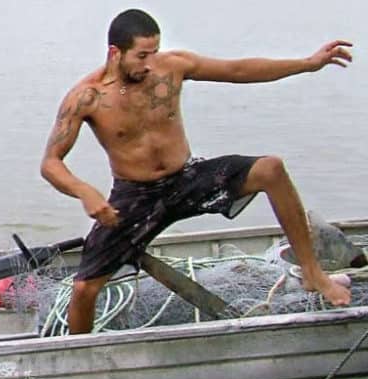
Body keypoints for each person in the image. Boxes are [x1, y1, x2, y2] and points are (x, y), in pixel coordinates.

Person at [40, 8, 353, 334]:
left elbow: (238, 69)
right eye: (141, 55)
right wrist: (85, 192)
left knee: (270, 169)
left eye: (154, 52)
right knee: (84, 289)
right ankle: (78, 353)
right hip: (135, 196)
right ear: (114, 53)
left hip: (186, 178)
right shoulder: (86, 97)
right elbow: (50, 163)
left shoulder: (172, 67)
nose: (149, 63)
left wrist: (307, 64)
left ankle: (313, 274)